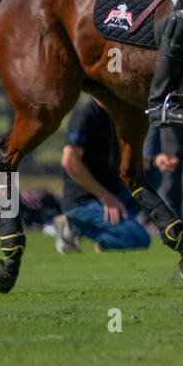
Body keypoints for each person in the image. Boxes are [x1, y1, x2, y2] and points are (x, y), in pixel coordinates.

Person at [54, 97, 151, 252]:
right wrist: (104, 196)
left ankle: (114, 227)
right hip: (84, 200)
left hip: (112, 194)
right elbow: (69, 162)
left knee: (152, 175)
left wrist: (154, 162)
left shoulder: (117, 113)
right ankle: (74, 227)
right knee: (139, 239)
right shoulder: (85, 114)